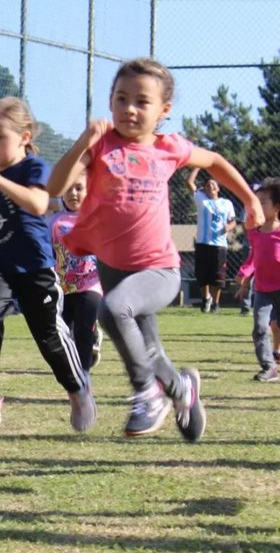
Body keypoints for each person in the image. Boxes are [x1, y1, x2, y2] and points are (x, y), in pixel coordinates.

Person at [49, 57, 263, 441]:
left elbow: (213, 161)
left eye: (142, 101)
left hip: (160, 270)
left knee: (113, 310)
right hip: (114, 269)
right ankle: (183, 390)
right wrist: (84, 140)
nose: (129, 108)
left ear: (163, 111)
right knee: (152, 352)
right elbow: (54, 186)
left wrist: (249, 199)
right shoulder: (100, 146)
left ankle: (148, 393)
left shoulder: (169, 148)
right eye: (121, 98)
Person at [0, 97, 96, 433]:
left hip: (35, 268)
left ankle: (78, 389)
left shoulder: (32, 169)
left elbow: (37, 203)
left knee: (49, 338)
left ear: (25, 137)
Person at [49, 172, 103, 369]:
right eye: (69, 189)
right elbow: (47, 250)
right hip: (64, 287)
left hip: (92, 284)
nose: (73, 193)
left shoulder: (97, 218)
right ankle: (74, 362)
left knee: (82, 330)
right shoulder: (55, 222)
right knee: (60, 331)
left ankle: (83, 376)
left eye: (79, 188)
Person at [235, 178, 280, 382]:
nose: (257, 206)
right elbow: (254, 258)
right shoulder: (255, 234)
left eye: (263, 202)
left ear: (277, 208)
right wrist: (245, 277)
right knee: (260, 327)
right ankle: (268, 367)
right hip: (263, 290)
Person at [187, 168, 237, 313]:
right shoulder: (201, 200)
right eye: (208, 185)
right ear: (205, 188)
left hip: (219, 244)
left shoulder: (226, 203)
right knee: (203, 275)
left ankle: (216, 303)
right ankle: (206, 298)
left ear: (218, 187)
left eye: (213, 184)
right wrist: (197, 166)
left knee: (218, 276)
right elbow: (189, 182)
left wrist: (228, 227)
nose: (211, 186)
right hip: (203, 243)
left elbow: (233, 221)